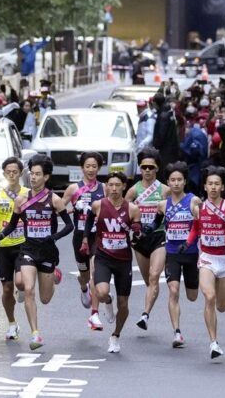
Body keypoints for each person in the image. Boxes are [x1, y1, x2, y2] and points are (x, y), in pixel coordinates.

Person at [0, 154, 73, 351]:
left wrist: (53, 238)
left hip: (47, 252)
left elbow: (69, 225)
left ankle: (54, 274)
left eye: (38, 174)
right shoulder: (22, 199)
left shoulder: (54, 200)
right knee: (27, 289)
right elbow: (13, 224)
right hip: (28, 249)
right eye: (32, 174)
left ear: (46, 177)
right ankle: (35, 334)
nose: (33, 177)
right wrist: (0, 236)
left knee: (45, 298)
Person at [180, 166, 225, 360]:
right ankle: (214, 343)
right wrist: (187, 243)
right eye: (210, 184)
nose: (213, 187)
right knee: (209, 297)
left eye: (217, 184)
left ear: (223, 187)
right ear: (205, 186)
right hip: (207, 259)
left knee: (222, 306)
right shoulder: (200, 209)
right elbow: (195, 229)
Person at [84, 172, 141, 354]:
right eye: (110, 185)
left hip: (123, 260)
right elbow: (88, 224)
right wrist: (86, 240)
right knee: (101, 292)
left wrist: (137, 232)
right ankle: (108, 301)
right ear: (106, 186)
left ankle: (115, 336)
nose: (114, 189)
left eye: (118, 185)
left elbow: (137, 230)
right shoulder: (98, 205)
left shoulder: (132, 209)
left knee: (123, 304)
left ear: (124, 186)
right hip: (103, 257)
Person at [0, 157, 29, 341]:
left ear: (20, 173)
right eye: (8, 172)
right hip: (3, 246)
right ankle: (12, 323)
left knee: (19, 282)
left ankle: (23, 289)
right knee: (7, 288)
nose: (11, 175)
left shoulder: (28, 193)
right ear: (4, 174)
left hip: (23, 243)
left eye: (15, 172)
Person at [125, 147, 170, 332]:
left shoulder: (166, 190)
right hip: (140, 240)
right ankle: (149, 302)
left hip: (159, 237)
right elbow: (122, 212)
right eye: (144, 167)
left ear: (157, 168)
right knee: (148, 282)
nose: (148, 171)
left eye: (151, 167)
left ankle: (145, 315)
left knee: (154, 276)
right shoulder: (133, 191)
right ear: (140, 168)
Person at [60, 152, 105, 329]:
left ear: (99, 168)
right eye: (88, 166)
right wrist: (70, 209)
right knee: (85, 275)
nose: (91, 170)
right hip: (79, 237)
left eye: (94, 166)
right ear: (82, 168)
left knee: (94, 273)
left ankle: (94, 314)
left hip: (98, 236)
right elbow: (60, 206)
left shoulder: (104, 188)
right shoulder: (73, 189)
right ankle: (84, 288)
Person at [162, 162, 201, 348]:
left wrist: (196, 213)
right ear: (168, 182)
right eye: (172, 180)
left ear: (185, 181)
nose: (176, 183)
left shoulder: (193, 200)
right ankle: (177, 332)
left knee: (192, 296)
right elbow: (154, 224)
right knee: (173, 290)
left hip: (191, 253)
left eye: (179, 180)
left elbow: (199, 215)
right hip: (172, 253)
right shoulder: (163, 204)